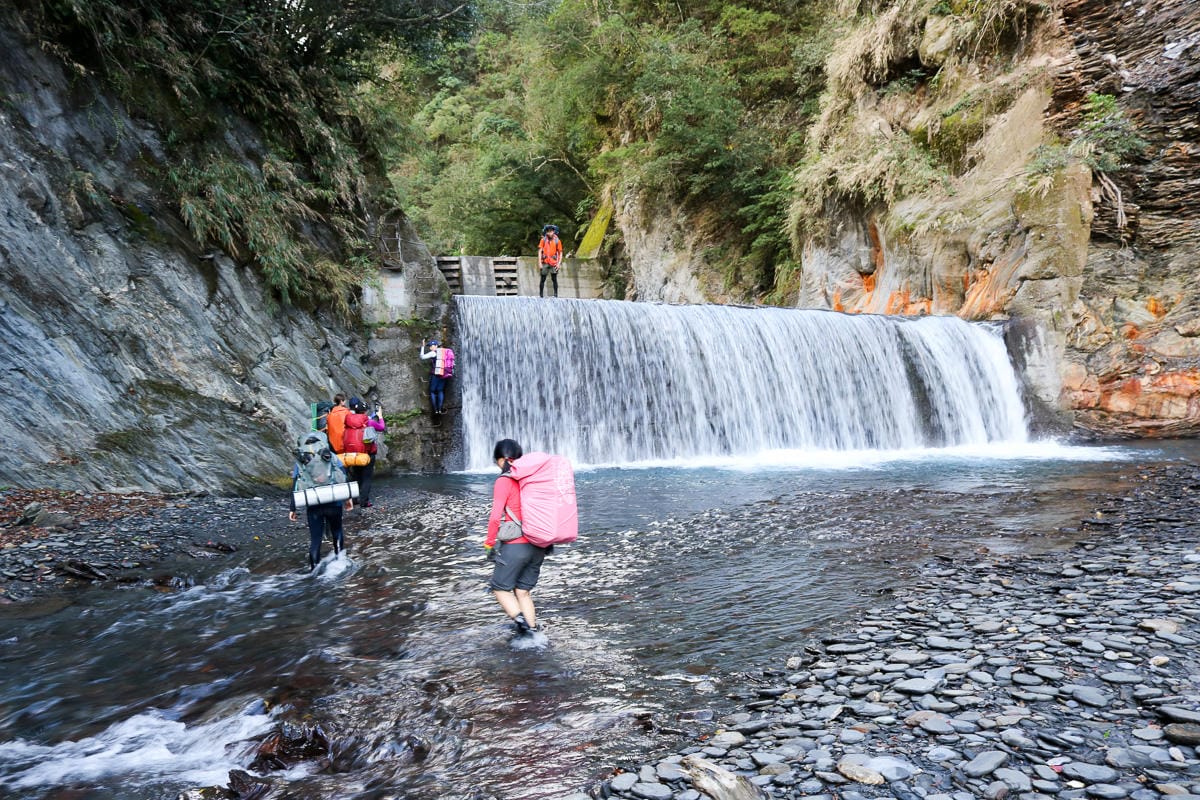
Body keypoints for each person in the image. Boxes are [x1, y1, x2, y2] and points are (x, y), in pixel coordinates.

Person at [483, 438, 549, 636]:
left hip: (516, 545)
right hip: (539, 544)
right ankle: (534, 633)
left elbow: (495, 516)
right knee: (523, 591)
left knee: (500, 588)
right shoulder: (533, 478)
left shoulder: (504, 480)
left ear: (502, 460)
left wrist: (489, 543)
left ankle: (522, 624)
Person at [288, 432, 354, 570]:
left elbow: (295, 484)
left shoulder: (301, 462)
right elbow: (342, 477)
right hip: (333, 502)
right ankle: (339, 562)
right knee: (337, 532)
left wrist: (293, 508)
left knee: (315, 539)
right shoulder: (331, 456)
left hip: (313, 504)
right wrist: (348, 499)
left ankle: (314, 571)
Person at [343, 396, 385, 508]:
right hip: (367, 454)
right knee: (366, 478)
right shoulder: (369, 421)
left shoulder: (349, 420)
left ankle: (354, 499)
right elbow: (381, 427)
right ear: (365, 411)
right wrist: (380, 417)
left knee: (356, 476)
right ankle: (364, 501)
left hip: (353, 454)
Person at [420, 339, 451, 414]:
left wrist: (422, 347)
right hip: (444, 374)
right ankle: (440, 409)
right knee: (440, 391)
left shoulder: (433, 353)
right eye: (430, 346)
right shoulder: (445, 352)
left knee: (432, 391)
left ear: (436, 346)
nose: (430, 348)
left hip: (436, 374)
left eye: (432, 346)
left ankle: (436, 410)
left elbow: (422, 357)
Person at [537, 224, 562, 298]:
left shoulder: (557, 241)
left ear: (554, 231)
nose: (549, 233)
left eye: (551, 231)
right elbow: (540, 251)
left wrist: (558, 264)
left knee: (554, 279)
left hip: (553, 263)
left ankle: (556, 295)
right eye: (548, 231)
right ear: (546, 232)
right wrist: (539, 263)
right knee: (543, 279)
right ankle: (541, 295)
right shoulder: (543, 240)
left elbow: (560, 253)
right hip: (545, 262)